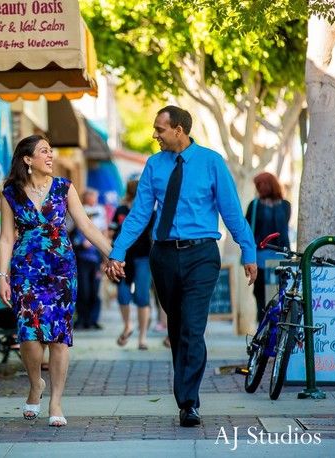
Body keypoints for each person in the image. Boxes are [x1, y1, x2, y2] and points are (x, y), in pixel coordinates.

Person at [105, 106, 257, 427]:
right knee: (176, 329)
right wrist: (117, 251)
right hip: (163, 255)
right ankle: (186, 394)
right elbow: (140, 213)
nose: (155, 135)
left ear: (179, 130)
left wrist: (249, 251)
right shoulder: (154, 165)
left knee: (191, 327)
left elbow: (231, 212)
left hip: (201, 254)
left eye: (160, 129)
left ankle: (189, 402)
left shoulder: (211, 162)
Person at [0, 135, 112, 427]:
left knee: (58, 336)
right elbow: (7, 237)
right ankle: (36, 384)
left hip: (60, 269)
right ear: (27, 159)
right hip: (25, 270)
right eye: (44, 151)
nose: (50, 156)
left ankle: (56, 400)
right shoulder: (11, 192)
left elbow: (85, 225)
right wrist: (2, 276)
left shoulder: (63, 188)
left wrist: (113, 255)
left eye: (51, 151)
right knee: (29, 336)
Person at [109, 179, 156, 349]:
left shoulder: (149, 210)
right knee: (123, 295)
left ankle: (142, 338)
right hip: (123, 258)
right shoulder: (121, 210)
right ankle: (128, 325)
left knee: (142, 297)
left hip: (143, 256)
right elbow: (111, 231)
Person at [246, 172, 291, 323]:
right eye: (258, 185)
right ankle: (262, 328)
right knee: (260, 294)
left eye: (264, 184)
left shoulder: (285, 205)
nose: (261, 188)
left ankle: (275, 329)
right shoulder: (254, 205)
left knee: (278, 294)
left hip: (280, 256)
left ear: (272, 185)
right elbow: (248, 228)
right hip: (259, 256)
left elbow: (284, 229)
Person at [73, 189, 106, 330]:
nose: (94, 199)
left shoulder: (100, 210)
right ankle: (82, 319)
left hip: (95, 258)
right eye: (92, 196)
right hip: (82, 259)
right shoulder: (79, 210)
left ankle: (92, 319)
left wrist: (106, 257)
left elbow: (104, 231)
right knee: (83, 290)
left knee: (95, 290)